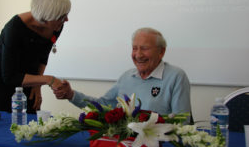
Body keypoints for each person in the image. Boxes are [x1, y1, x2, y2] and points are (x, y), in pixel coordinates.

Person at [52, 27, 191, 115]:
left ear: (161, 52)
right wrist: (71, 95)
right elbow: (103, 105)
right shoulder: (127, 77)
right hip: (125, 146)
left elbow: (181, 122)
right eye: (134, 48)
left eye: (144, 48)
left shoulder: (176, 77)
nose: (138, 55)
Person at [0, 0, 71, 113]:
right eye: (62, 16)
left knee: (31, 114)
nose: (66, 20)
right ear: (47, 16)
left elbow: (43, 56)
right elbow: (9, 77)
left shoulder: (56, 26)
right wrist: (49, 80)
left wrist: (37, 84)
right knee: (9, 118)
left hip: (28, 74)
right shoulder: (14, 29)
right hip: (0, 76)